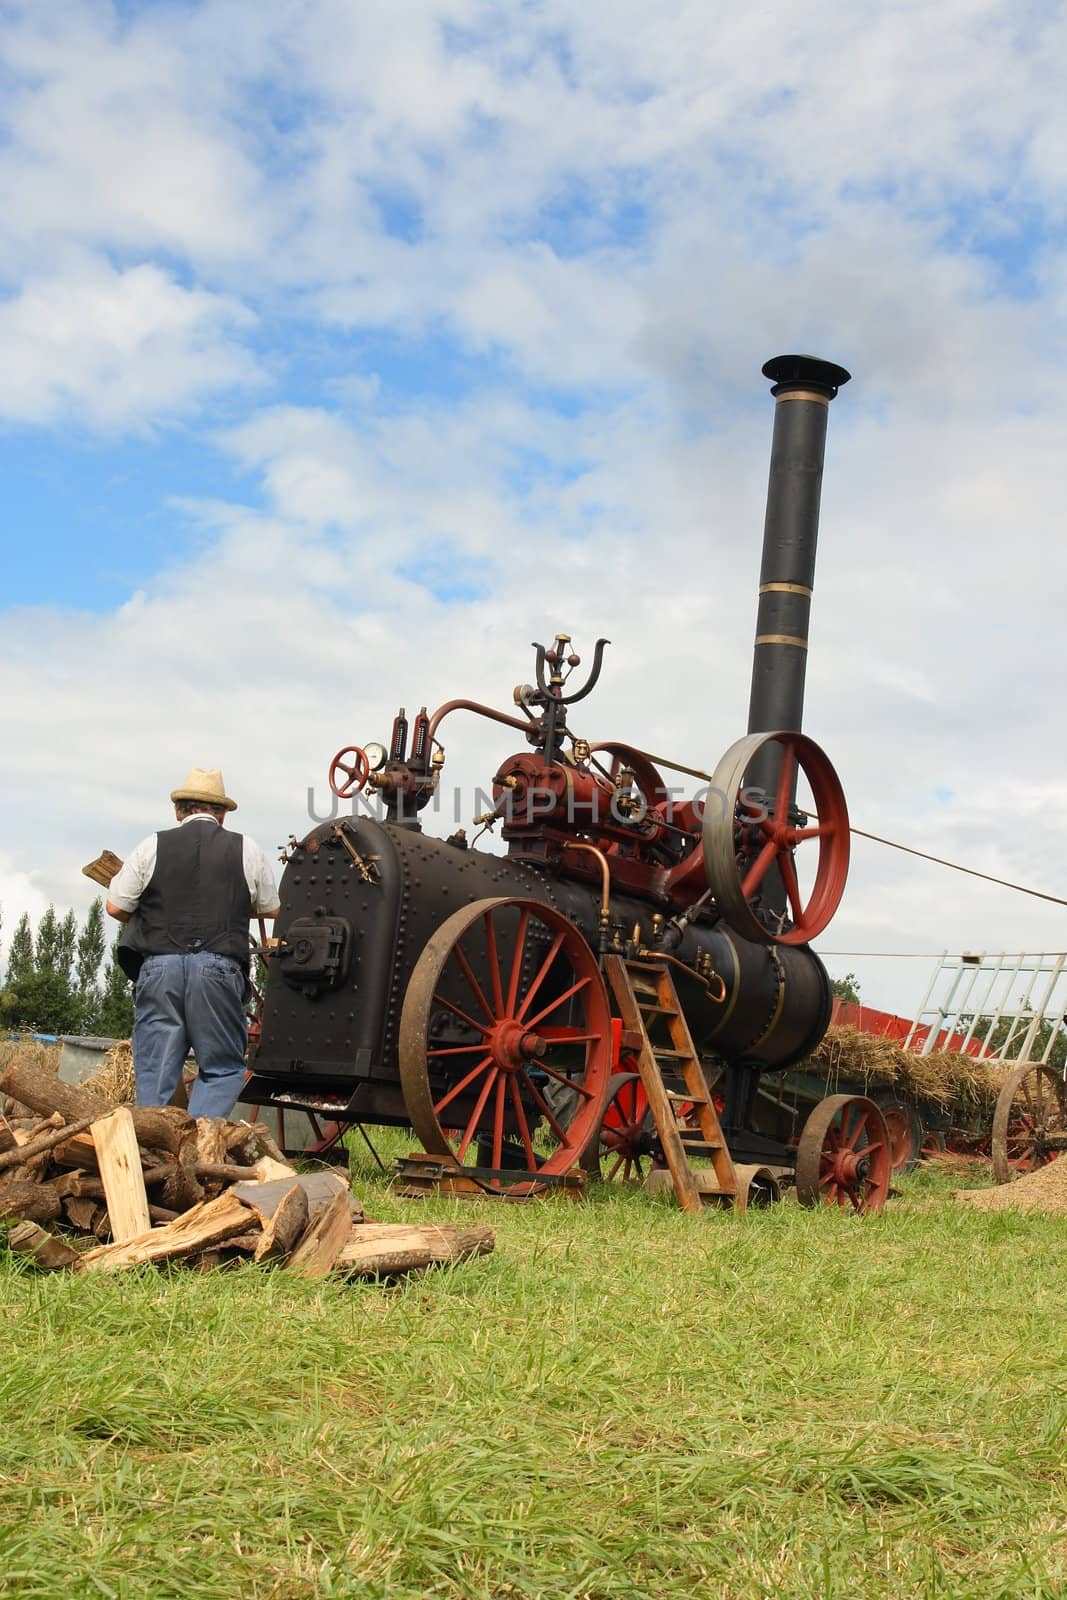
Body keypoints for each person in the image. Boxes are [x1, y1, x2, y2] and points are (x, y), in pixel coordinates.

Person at [106, 767, 280, 1119]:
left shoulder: (151, 845)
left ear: (178, 810)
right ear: (223, 813)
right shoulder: (247, 849)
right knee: (221, 1068)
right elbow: (271, 908)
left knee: (155, 1072)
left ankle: (151, 1151)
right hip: (219, 967)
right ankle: (200, 1146)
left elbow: (115, 907)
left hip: (159, 967)